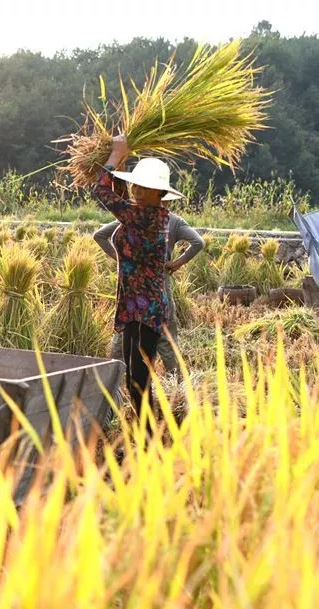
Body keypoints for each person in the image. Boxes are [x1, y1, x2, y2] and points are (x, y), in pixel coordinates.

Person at [92, 134, 179, 415]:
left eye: (147, 187)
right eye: (137, 184)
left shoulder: (146, 217)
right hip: (134, 308)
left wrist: (116, 155)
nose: (139, 190)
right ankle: (146, 437)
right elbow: (121, 198)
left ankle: (148, 441)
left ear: (160, 193)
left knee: (138, 382)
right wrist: (124, 161)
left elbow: (103, 194)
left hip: (146, 311)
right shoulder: (143, 212)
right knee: (134, 381)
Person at [95, 205, 204, 375]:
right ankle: (174, 379)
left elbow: (99, 235)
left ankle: (114, 377)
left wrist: (122, 259)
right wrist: (176, 263)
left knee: (127, 323)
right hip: (159, 279)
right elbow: (198, 242)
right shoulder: (174, 221)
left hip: (132, 280)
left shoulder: (130, 216)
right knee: (164, 328)